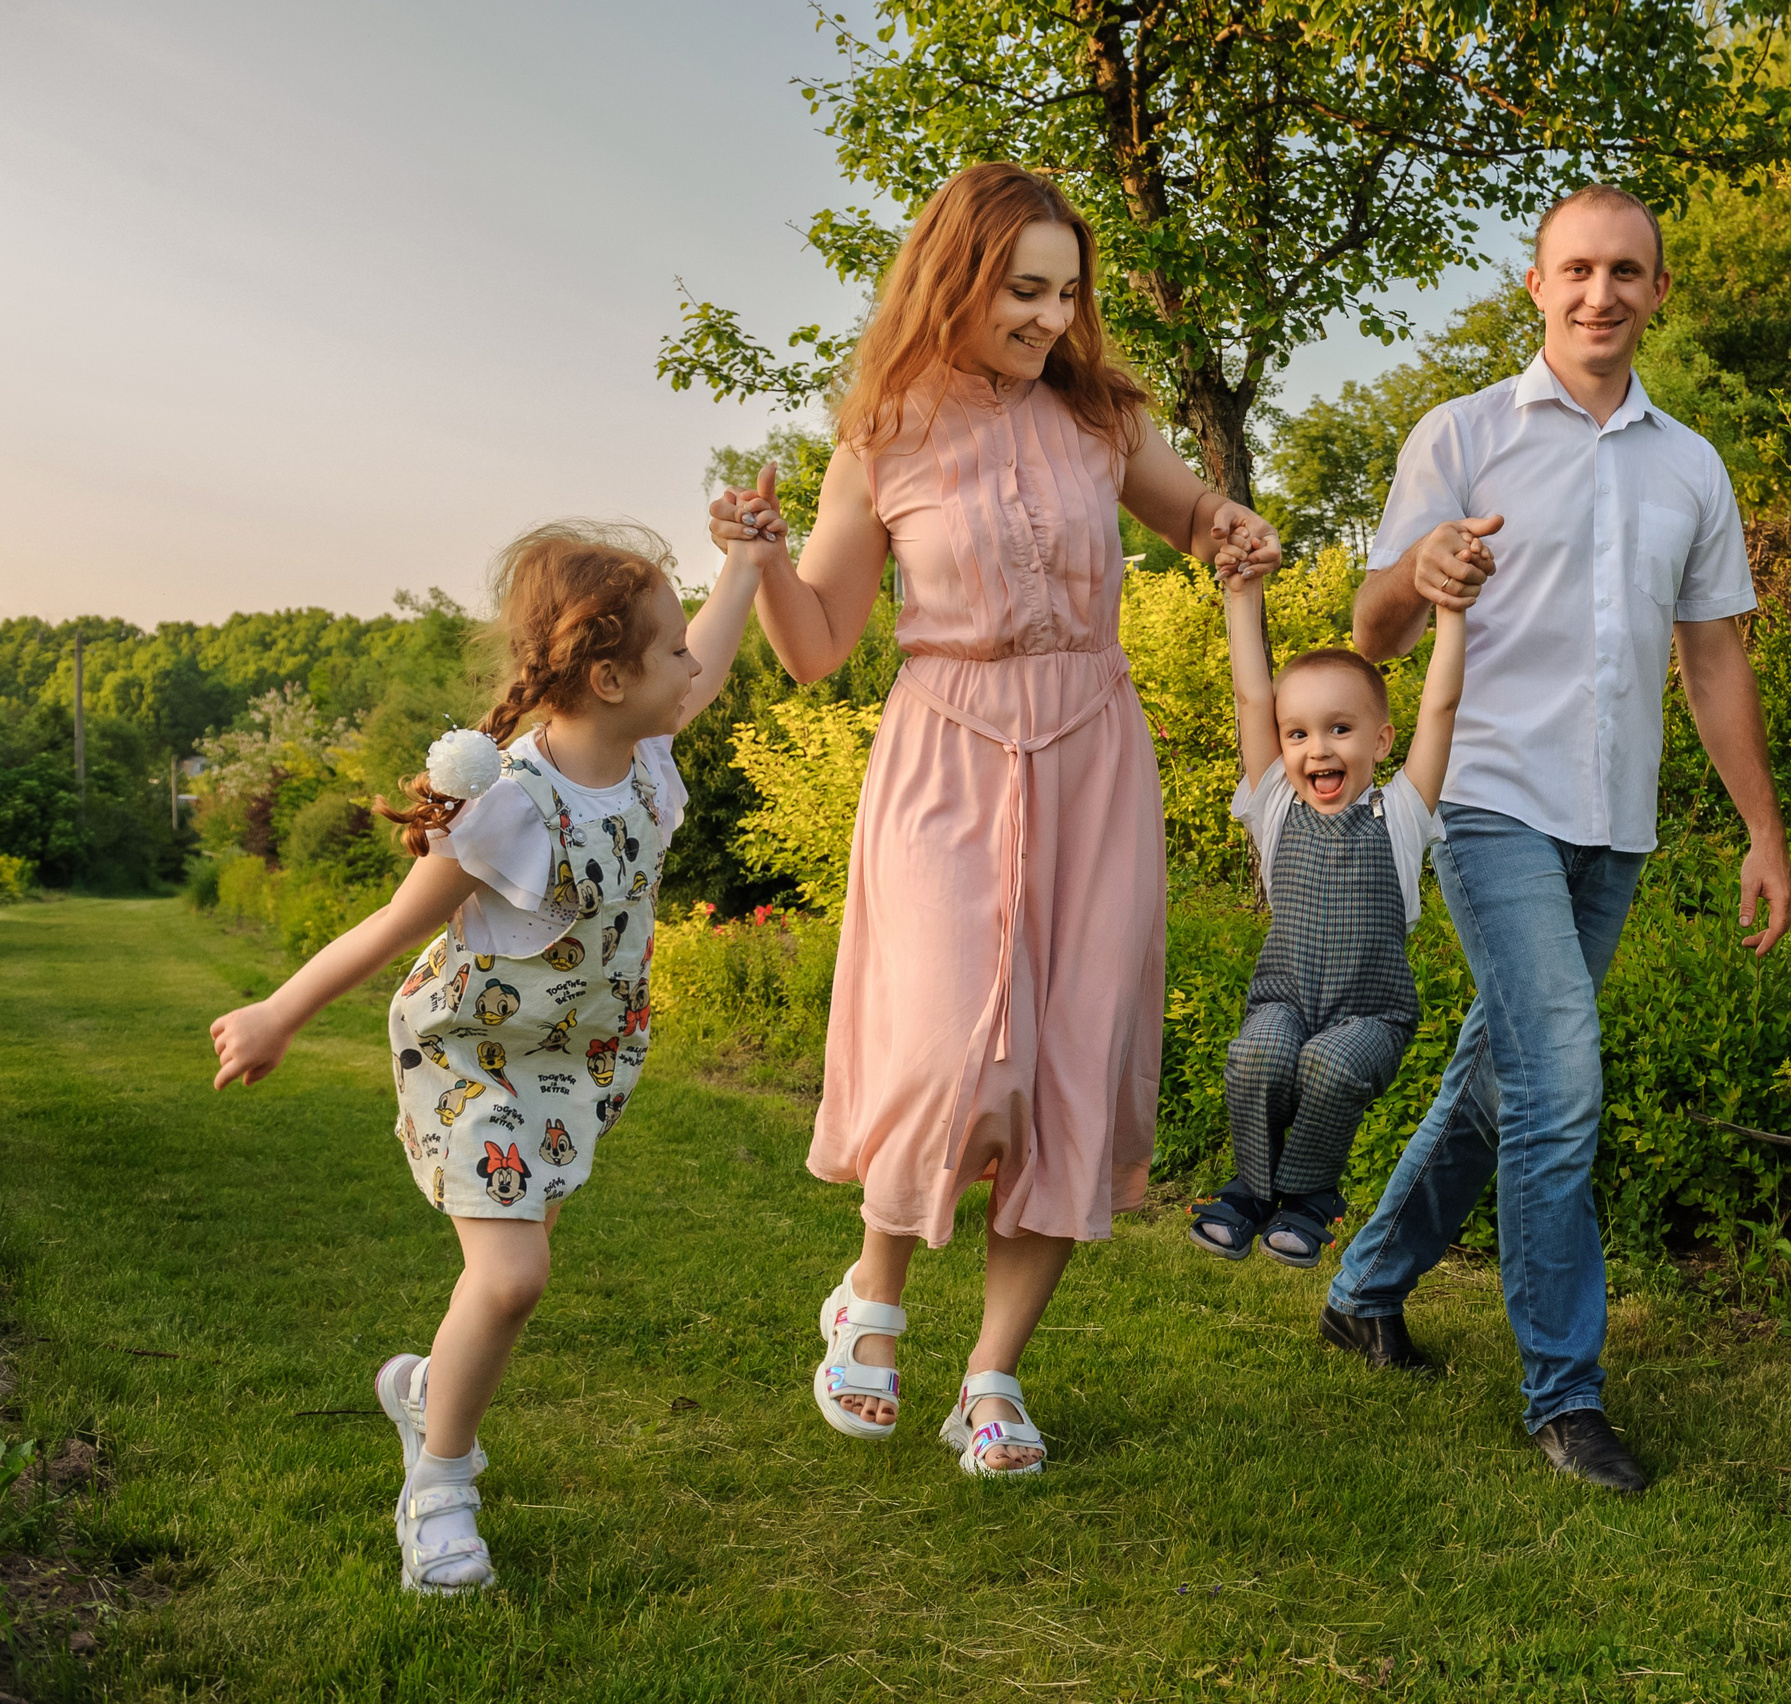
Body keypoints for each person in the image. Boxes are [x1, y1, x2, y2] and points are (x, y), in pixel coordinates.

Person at [708, 162, 1281, 1478]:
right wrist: (760, 562)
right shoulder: (886, 432)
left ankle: (994, 1374)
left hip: (1092, 750)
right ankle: (873, 1293)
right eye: (1025, 290)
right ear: (955, 280)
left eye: (1066, 292)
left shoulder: (1103, 418)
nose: (1048, 317)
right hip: (948, 755)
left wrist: (1227, 527)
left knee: (1073, 1058)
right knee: (958, 1053)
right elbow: (817, 645)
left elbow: (1197, 518)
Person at [1321, 184, 1791, 1494]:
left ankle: (1365, 1289)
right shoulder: (1464, 437)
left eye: (1626, 272)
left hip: (1614, 825)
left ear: (1658, 293)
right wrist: (1418, 574)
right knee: (1559, 1087)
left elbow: (1711, 662)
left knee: (1503, 1072)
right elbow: (1369, 629)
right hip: (1485, 797)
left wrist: (1763, 830)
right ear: (1535, 287)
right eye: (1576, 270)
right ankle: (1565, 1396)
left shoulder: (1690, 467)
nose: (1601, 293)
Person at [206, 521, 762, 1590]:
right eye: (673, 650)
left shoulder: (644, 757)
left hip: (579, 1062)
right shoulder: (509, 808)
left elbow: (715, 653)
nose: (695, 665)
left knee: (505, 1285)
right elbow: (391, 926)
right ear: (609, 676)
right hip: (473, 1058)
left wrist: (745, 561)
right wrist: (279, 1010)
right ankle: (440, 1486)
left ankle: (427, 1396)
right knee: (512, 1278)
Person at [1187, 549, 1466, 1267]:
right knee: (1259, 1054)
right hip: (1284, 998)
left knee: (1331, 1068)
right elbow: (1253, 695)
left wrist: (1451, 613)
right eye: (1299, 733)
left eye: (1340, 730)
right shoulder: (1275, 803)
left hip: (1373, 1015)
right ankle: (1251, 1191)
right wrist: (1241, 595)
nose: (1317, 749)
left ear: (1379, 742)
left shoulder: (1403, 812)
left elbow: (1440, 705)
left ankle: (1311, 1198)